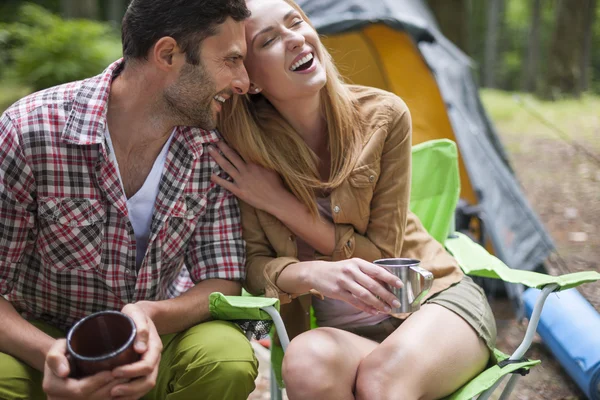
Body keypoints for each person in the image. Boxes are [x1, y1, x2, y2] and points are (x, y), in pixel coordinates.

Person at [203, 0, 498, 398]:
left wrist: (279, 203)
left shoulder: (383, 117)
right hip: (348, 335)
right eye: (269, 40)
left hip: (435, 304)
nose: (294, 39)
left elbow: (384, 259)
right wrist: (309, 274)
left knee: (380, 381)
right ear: (250, 79)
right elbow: (255, 269)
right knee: (305, 361)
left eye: (296, 23)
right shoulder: (245, 152)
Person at [0, 1, 259, 399]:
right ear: (167, 54)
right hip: (46, 335)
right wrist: (55, 355)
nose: (243, 82)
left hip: (160, 336)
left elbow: (220, 279)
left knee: (226, 360)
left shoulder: (212, 146)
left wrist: (151, 316)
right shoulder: (27, 130)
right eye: (231, 60)